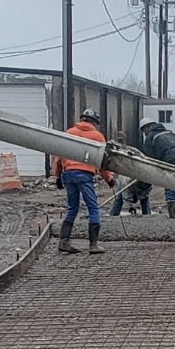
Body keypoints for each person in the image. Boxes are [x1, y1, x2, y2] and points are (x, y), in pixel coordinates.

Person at [54, 109, 114, 254]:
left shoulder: (69, 132)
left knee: (72, 208)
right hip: (84, 174)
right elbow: (102, 161)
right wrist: (109, 178)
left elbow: (59, 155)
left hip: (68, 174)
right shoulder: (97, 136)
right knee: (93, 207)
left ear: (82, 119)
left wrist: (58, 176)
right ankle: (93, 244)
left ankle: (64, 241)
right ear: (95, 122)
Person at [122, 120, 175, 218]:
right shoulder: (169, 132)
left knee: (169, 186)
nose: (145, 133)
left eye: (144, 131)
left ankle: (173, 215)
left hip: (171, 161)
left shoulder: (150, 137)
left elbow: (150, 159)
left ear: (147, 127)